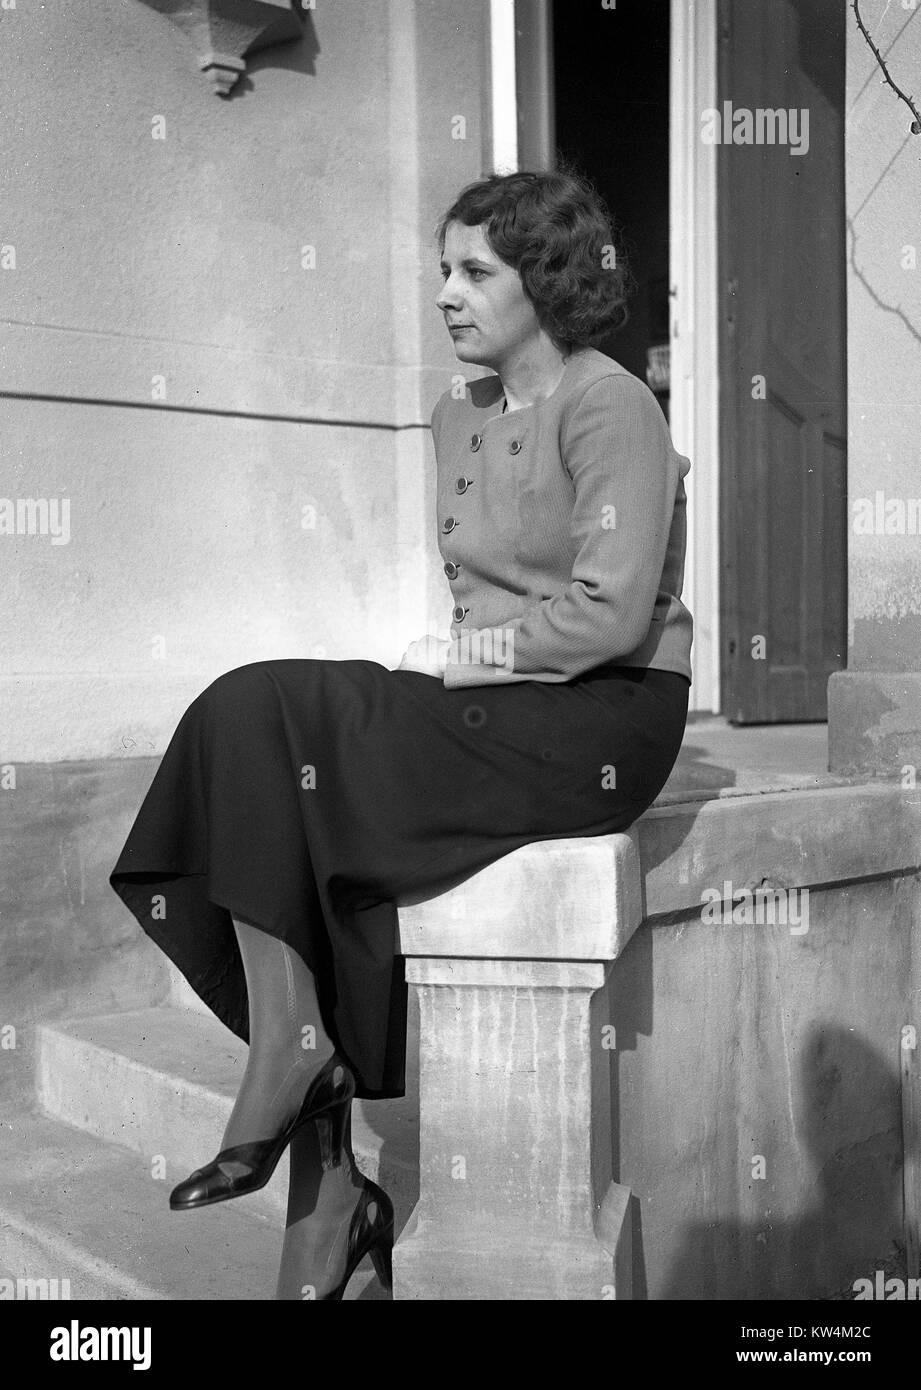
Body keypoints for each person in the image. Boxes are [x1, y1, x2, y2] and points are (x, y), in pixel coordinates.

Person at [110, 166, 693, 1301]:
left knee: (298, 723)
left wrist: (456, 660)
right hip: (505, 699)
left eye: (477, 270)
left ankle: (321, 1177)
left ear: (548, 282)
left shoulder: (609, 400)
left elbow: (612, 611)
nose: (447, 294)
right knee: (257, 718)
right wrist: (459, 663)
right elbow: (481, 606)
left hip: (604, 716)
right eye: (443, 270)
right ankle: (308, 1103)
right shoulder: (457, 414)